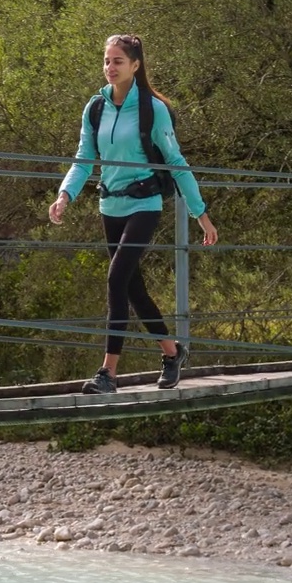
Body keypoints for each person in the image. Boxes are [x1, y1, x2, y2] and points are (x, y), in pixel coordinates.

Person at [48, 33, 217, 394]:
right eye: (107, 61)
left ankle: (107, 373)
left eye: (118, 61)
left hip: (144, 203)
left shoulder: (152, 109)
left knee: (115, 279)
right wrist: (65, 195)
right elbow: (83, 159)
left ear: (135, 65)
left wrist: (199, 213)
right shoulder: (95, 107)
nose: (110, 68)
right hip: (110, 205)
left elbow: (175, 162)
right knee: (133, 287)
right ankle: (172, 353)